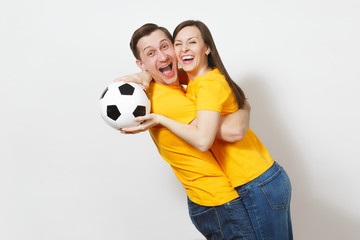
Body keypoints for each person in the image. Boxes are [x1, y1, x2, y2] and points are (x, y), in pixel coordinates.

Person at [123, 20, 293, 240]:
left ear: (207, 48)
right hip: (246, 184)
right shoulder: (186, 86)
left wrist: (244, 106)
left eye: (166, 46)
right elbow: (222, 132)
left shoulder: (201, 83)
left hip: (257, 179)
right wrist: (145, 78)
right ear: (141, 63)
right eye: (151, 53)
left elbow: (232, 131)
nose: (166, 55)